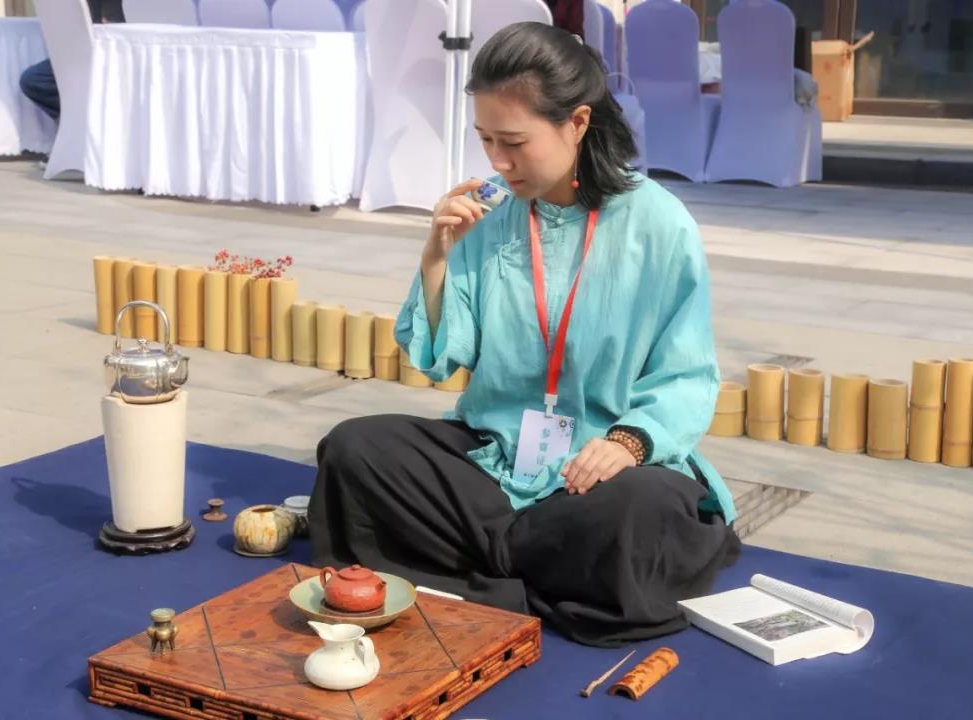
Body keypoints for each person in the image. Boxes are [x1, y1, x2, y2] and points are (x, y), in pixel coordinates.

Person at [308, 22, 740, 648]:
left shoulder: (659, 224)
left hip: (601, 478)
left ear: (577, 122)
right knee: (355, 449)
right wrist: (437, 256)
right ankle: (536, 572)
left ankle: (476, 573)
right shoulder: (489, 216)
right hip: (499, 459)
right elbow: (440, 358)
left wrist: (628, 442)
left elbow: (688, 375)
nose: (497, 162)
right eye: (485, 140)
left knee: (639, 513)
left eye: (513, 142)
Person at [19, 0, 123, 121]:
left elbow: (111, 25)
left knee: (33, 79)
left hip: (102, 52)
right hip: (76, 53)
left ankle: (80, 121)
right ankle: (77, 121)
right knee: (32, 80)